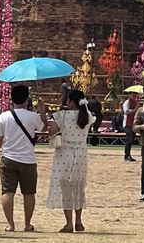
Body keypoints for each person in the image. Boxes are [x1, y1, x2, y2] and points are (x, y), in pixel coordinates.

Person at [0, 84, 47, 233]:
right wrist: (42, 110)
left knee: (8, 192)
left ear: (12, 99)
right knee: (28, 193)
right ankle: (27, 224)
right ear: (27, 99)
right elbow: (43, 128)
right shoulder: (32, 116)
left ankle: (11, 224)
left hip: (8, 158)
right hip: (28, 160)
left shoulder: (4, 116)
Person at [46, 89, 94, 232]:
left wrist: (45, 114)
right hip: (81, 154)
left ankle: (69, 223)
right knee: (79, 187)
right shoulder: (87, 116)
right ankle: (79, 221)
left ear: (70, 102)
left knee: (65, 188)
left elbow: (51, 131)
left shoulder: (63, 115)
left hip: (65, 154)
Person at [122, 91, 139, 162]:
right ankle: (126, 155)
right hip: (127, 123)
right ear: (129, 94)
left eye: (135, 94)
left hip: (133, 123)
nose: (134, 95)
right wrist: (135, 109)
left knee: (131, 140)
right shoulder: (127, 102)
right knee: (129, 140)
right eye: (132, 94)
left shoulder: (135, 102)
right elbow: (125, 111)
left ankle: (128, 155)